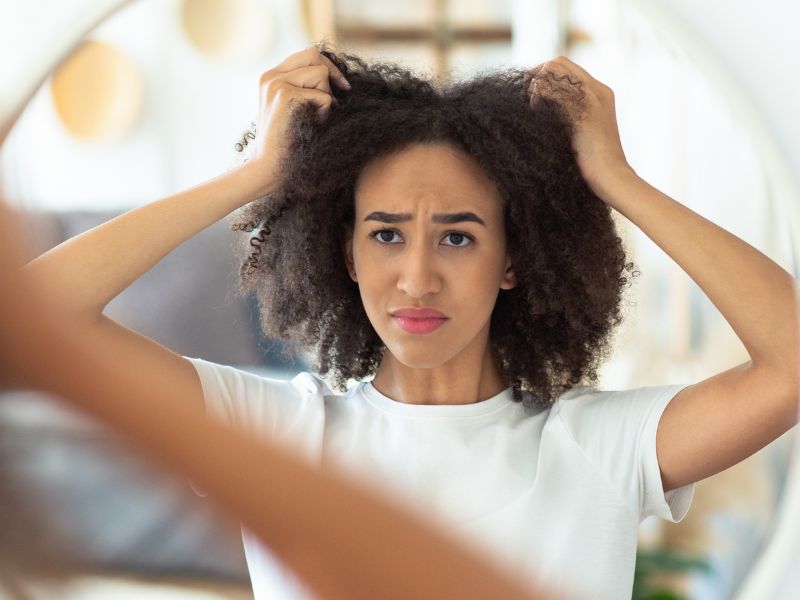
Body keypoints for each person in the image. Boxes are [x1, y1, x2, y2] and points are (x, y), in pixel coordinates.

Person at [17, 40, 800, 599]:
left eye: (458, 236)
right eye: (386, 233)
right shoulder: (274, 432)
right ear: (347, 253)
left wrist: (617, 179)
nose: (417, 276)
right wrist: (252, 176)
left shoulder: (602, 447)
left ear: (514, 260)